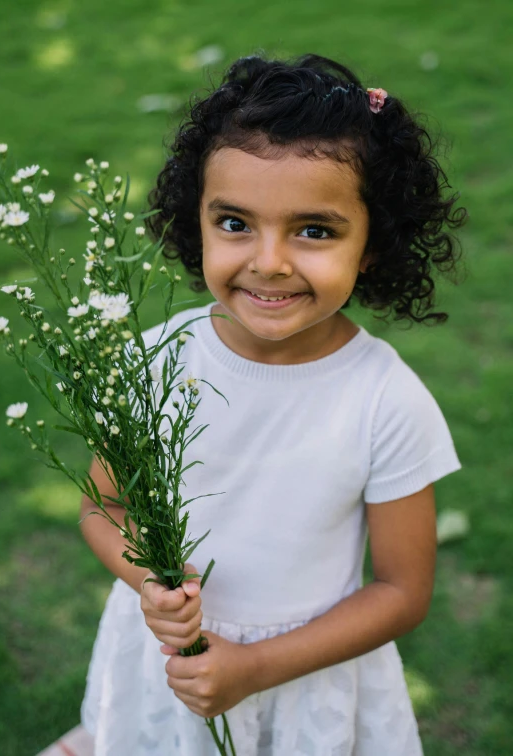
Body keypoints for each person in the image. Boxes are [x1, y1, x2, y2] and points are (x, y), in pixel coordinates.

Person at [79, 52, 467, 755]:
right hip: (171, 662)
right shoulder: (155, 357)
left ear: (373, 243)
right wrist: (151, 584)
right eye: (234, 223)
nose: (269, 261)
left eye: (313, 230)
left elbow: (403, 591)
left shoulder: (385, 399)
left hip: (305, 671)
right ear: (195, 216)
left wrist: (255, 667)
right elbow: (102, 504)